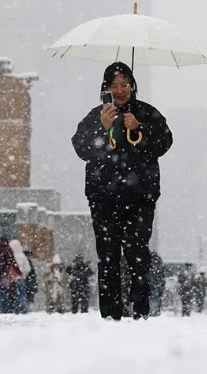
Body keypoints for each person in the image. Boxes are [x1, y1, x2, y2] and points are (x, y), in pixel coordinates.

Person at [71, 61, 173, 320]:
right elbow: (81, 148)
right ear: (105, 88)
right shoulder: (96, 115)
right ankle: (111, 314)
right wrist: (102, 129)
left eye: (125, 84)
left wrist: (138, 128)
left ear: (133, 86)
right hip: (103, 197)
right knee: (108, 256)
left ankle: (140, 310)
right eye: (114, 85)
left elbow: (164, 142)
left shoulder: (146, 113)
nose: (120, 90)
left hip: (140, 198)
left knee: (138, 253)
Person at [9, 239, 31, 314]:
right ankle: (21, 310)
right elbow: (28, 268)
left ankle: (13, 309)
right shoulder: (22, 256)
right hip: (21, 279)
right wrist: (23, 273)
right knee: (21, 295)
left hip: (11, 280)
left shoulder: (10, 256)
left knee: (12, 296)